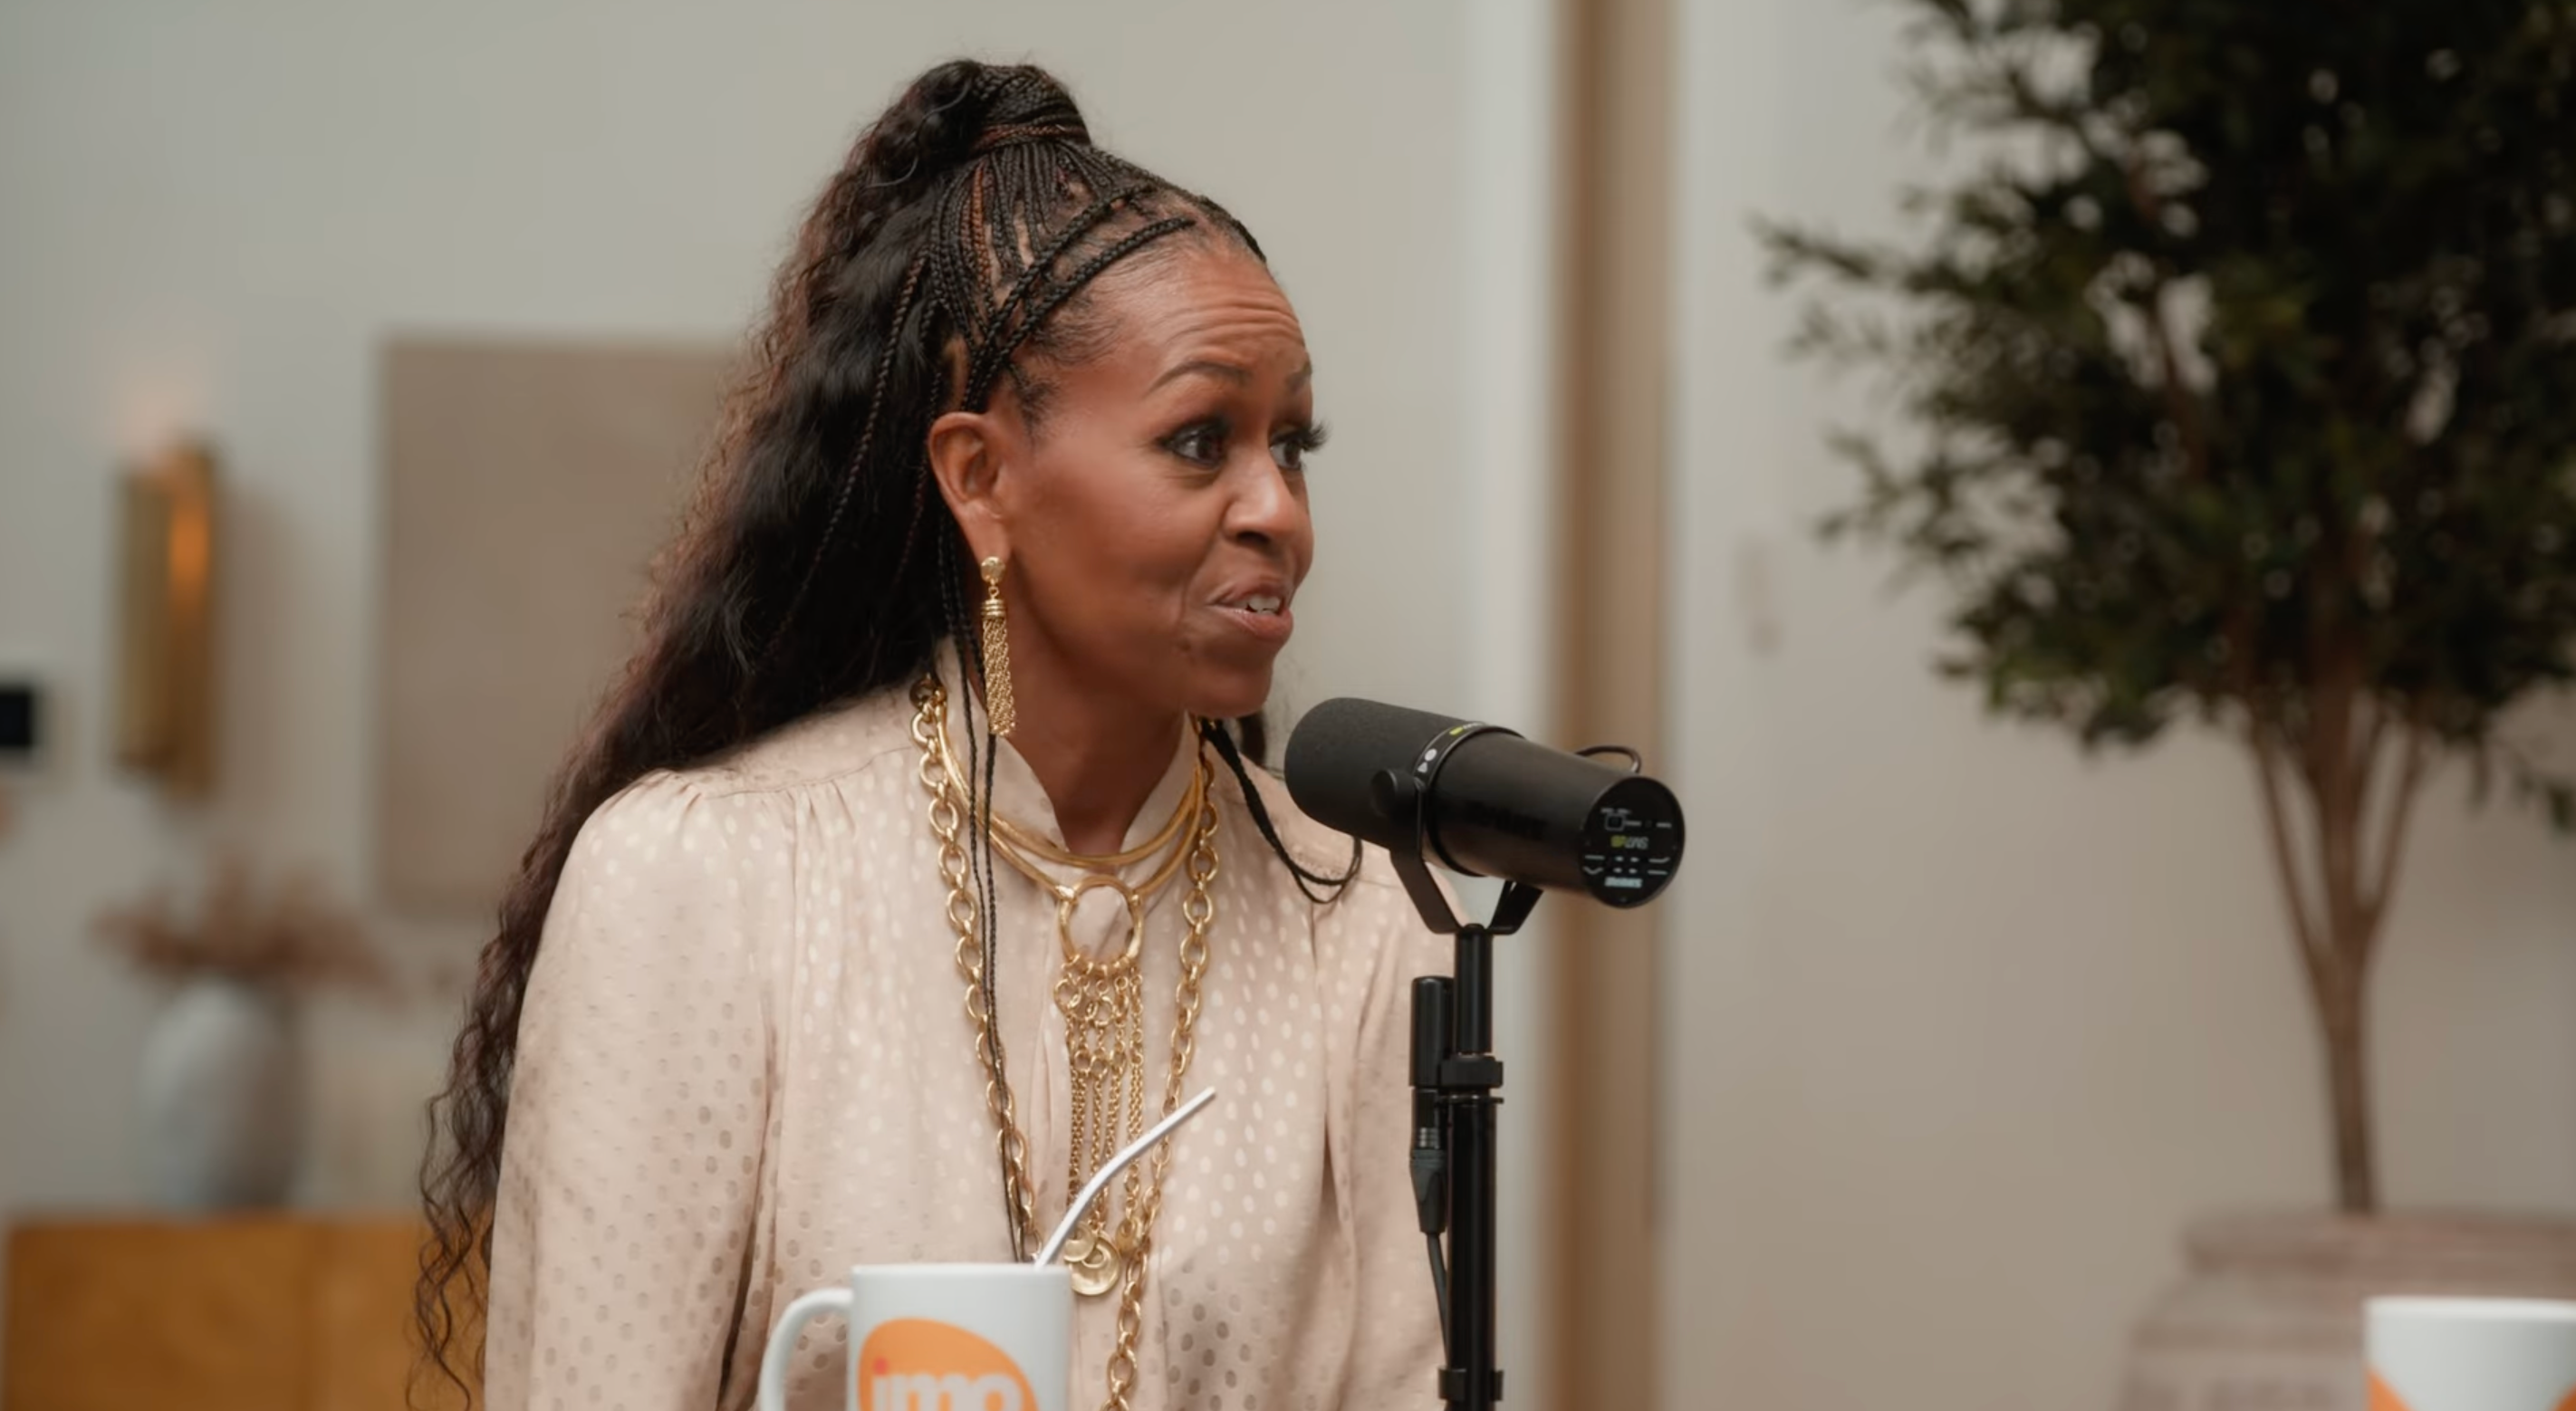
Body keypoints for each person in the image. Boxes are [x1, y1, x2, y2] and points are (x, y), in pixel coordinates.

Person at [417, 59, 1448, 1411]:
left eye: (1293, 443)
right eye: (1202, 439)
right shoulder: (700, 880)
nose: (1278, 510)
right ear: (981, 477)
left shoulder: (1363, 912)